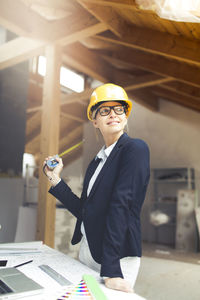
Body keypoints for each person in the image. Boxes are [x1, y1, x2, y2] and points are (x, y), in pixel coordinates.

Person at [43, 83, 150, 293]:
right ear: (95, 120)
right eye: (104, 110)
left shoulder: (135, 149)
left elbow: (122, 207)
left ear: (126, 116)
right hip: (88, 251)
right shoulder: (96, 162)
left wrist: (111, 270)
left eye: (119, 109)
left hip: (116, 257)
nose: (113, 114)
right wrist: (55, 179)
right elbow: (85, 210)